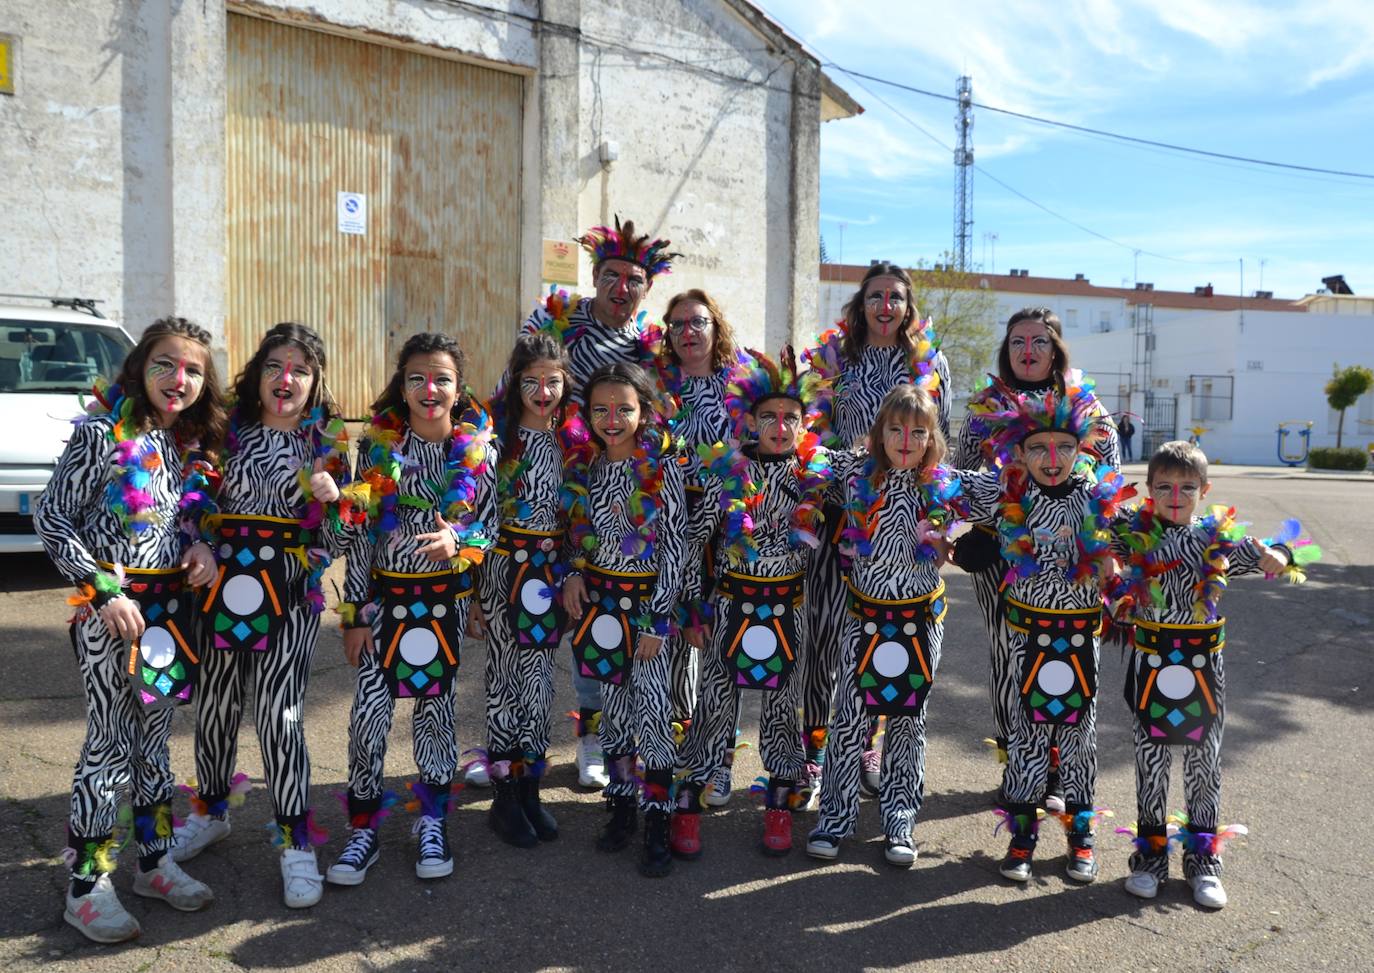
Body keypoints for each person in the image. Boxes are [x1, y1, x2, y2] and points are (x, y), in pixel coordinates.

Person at [35, 317, 227, 943]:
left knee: (155, 744)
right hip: (108, 613)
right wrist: (101, 589)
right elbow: (53, 516)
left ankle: (153, 861)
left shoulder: (187, 443)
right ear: (141, 366)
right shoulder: (101, 432)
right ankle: (87, 886)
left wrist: (201, 548)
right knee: (109, 747)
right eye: (167, 364)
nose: (180, 379)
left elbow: (177, 522)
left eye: (194, 369)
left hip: (169, 613)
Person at [170, 323, 349, 908]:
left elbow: (348, 537)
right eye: (275, 366)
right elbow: (191, 506)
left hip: (290, 596)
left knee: (280, 713)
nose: (286, 379)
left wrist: (335, 501)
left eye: (300, 369)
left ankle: (297, 842)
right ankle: (211, 810)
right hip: (220, 588)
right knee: (217, 706)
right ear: (258, 373)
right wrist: (195, 541)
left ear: (316, 380)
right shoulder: (225, 432)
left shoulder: (330, 446)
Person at [1108, 441, 1318, 909]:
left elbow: (1295, 545)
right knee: (1152, 764)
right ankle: (1150, 858)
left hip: (1204, 669)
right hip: (1152, 663)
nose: (1175, 496)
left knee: (1204, 765)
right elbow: (1089, 527)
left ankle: (1203, 861)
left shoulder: (1215, 539)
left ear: (1204, 490)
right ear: (1149, 491)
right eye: (1164, 487)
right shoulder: (1133, 532)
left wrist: (1281, 553)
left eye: (1187, 487)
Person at [327, 334, 494, 887]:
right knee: (368, 723)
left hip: (440, 608)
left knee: (435, 721)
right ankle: (364, 828)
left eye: (442, 378)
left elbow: (488, 529)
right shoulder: (377, 450)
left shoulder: (477, 453)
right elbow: (358, 541)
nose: (430, 389)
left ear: (458, 388)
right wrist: (352, 616)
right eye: (418, 378)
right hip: (382, 606)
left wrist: (461, 543)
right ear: (402, 386)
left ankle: (431, 821)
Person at [520, 215, 680, 790]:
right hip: (555, 480)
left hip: (616, 487)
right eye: (610, 275)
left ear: (646, 287)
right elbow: (520, 380)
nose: (621, 288)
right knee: (551, 619)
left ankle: (616, 741)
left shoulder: (650, 345)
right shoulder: (557, 323)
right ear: (594, 276)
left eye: (632, 280)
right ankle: (531, 739)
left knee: (611, 621)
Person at [959, 375, 1132, 884]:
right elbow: (943, 482)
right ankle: (1022, 836)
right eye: (1038, 448)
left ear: (1081, 449)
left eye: (1063, 447)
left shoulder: (1100, 500)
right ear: (1020, 450)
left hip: (1079, 640)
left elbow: (1147, 543)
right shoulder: (1007, 492)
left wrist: (1120, 577)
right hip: (1024, 639)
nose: (1051, 458)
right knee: (1027, 736)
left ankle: (1081, 836)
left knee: (1079, 739)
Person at [951, 307, 1120, 813]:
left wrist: (1102, 547)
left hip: (1070, 557)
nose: (1028, 351)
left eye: (1039, 342)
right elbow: (959, 477)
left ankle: (1064, 765)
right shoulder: (984, 408)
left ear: (1056, 349)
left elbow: (1110, 484)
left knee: (1067, 655)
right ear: (1007, 349)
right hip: (1004, 553)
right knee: (1009, 654)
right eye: (1018, 341)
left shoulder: (1088, 407)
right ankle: (1021, 761)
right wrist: (969, 531)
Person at [669, 348, 831, 860]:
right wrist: (693, 609)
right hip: (729, 608)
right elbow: (695, 541)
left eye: (791, 419)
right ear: (750, 421)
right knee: (714, 705)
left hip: (789, 610)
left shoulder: (817, 479)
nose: (780, 428)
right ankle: (690, 799)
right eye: (769, 418)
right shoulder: (728, 471)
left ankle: (779, 803)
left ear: (804, 424)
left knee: (783, 710)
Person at [800, 262, 951, 803]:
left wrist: (933, 519)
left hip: (900, 524)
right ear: (860, 305)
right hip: (841, 513)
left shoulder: (929, 361)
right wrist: (851, 469)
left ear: (908, 307)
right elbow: (809, 436)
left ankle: (869, 743)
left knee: (889, 636)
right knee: (823, 635)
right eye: (875, 297)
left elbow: (940, 440)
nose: (885, 306)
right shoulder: (834, 359)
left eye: (896, 298)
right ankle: (815, 750)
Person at [807, 384, 965, 867]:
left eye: (917, 432)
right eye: (895, 429)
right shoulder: (855, 473)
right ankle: (835, 816)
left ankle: (899, 819)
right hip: (864, 618)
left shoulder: (943, 483)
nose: (905, 440)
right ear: (879, 433)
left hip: (919, 622)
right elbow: (800, 460)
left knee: (907, 720)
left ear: (931, 437)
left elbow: (1007, 493)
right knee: (851, 715)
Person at [560, 362, 686, 877]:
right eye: (600, 410)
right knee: (614, 711)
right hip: (602, 611)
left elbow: (676, 547)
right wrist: (572, 571)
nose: (612, 420)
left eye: (624, 409)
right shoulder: (585, 467)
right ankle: (621, 806)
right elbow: (574, 533)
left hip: (649, 614)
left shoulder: (661, 469)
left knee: (654, 716)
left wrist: (658, 621)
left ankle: (658, 818)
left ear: (644, 411)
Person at [641, 289, 745, 806]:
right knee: (677, 638)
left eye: (698, 321)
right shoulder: (658, 385)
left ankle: (718, 759)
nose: (688, 332)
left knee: (721, 644)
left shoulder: (740, 383)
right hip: (670, 527)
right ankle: (678, 746)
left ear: (715, 326)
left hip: (728, 530)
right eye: (678, 323)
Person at [477, 331, 576, 848]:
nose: (542, 391)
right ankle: (504, 796)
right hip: (501, 568)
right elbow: (475, 515)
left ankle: (531, 785)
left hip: (549, 574)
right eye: (532, 381)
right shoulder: (493, 439)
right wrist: (474, 594)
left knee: (538, 683)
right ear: (515, 384)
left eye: (552, 382)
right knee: (503, 683)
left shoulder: (574, 441)